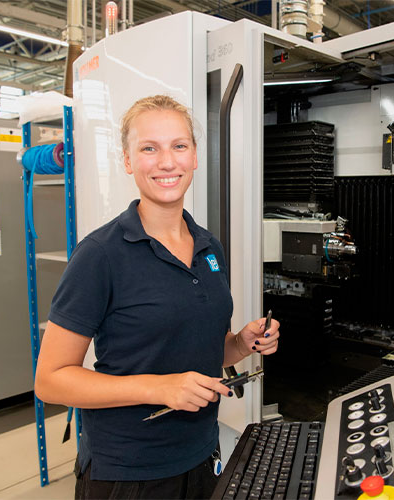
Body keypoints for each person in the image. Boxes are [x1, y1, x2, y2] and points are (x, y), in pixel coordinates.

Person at [34, 95, 280, 499]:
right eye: (149, 148)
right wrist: (159, 388)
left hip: (202, 454)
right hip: (130, 471)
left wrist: (241, 343)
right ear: (129, 161)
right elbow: (50, 380)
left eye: (179, 146)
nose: (167, 162)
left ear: (195, 156)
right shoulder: (100, 254)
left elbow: (196, 353)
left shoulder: (209, 246)